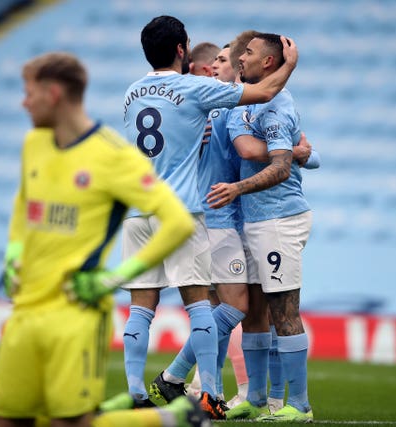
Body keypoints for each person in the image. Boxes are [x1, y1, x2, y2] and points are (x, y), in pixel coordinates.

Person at [0, 51, 203, 427]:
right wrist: (14, 255)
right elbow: (25, 205)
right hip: (23, 311)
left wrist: (115, 278)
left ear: (53, 93)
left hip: (75, 313)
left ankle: (173, 420)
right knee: (7, 420)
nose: (24, 102)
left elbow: (177, 222)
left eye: (29, 92)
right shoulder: (33, 145)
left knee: (70, 423)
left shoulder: (112, 156)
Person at [117, 15, 298, 421]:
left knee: (140, 308)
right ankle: (212, 394)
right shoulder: (196, 87)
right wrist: (289, 63)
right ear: (182, 50)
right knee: (199, 304)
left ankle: (134, 392)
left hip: (137, 211)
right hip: (179, 211)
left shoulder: (131, 93)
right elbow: (266, 90)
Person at [207, 33, 315, 423]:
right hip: (255, 219)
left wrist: (237, 187)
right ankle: (254, 397)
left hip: (278, 219)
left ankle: (299, 405)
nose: (241, 58)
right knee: (255, 310)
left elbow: (281, 166)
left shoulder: (276, 107)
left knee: (284, 310)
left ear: (268, 63)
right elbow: (271, 153)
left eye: (249, 53)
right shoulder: (251, 98)